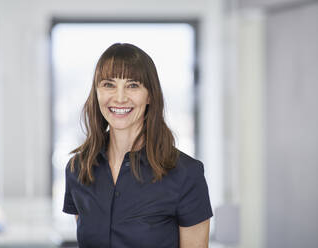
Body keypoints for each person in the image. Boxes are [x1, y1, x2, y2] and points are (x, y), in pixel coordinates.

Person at [63, 43, 213, 248]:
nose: (120, 97)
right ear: (96, 92)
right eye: (109, 84)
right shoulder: (78, 169)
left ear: (150, 95)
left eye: (133, 85)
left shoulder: (185, 174)